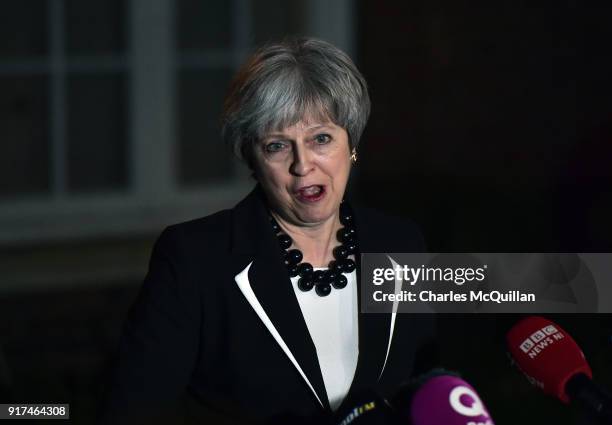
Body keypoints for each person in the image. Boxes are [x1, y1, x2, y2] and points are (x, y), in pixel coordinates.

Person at [101, 37, 436, 425]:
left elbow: (426, 388)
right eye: (277, 146)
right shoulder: (194, 260)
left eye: (321, 139)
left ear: (352, 144)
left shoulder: (401, 243)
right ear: (253, 160)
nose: (303, 164)